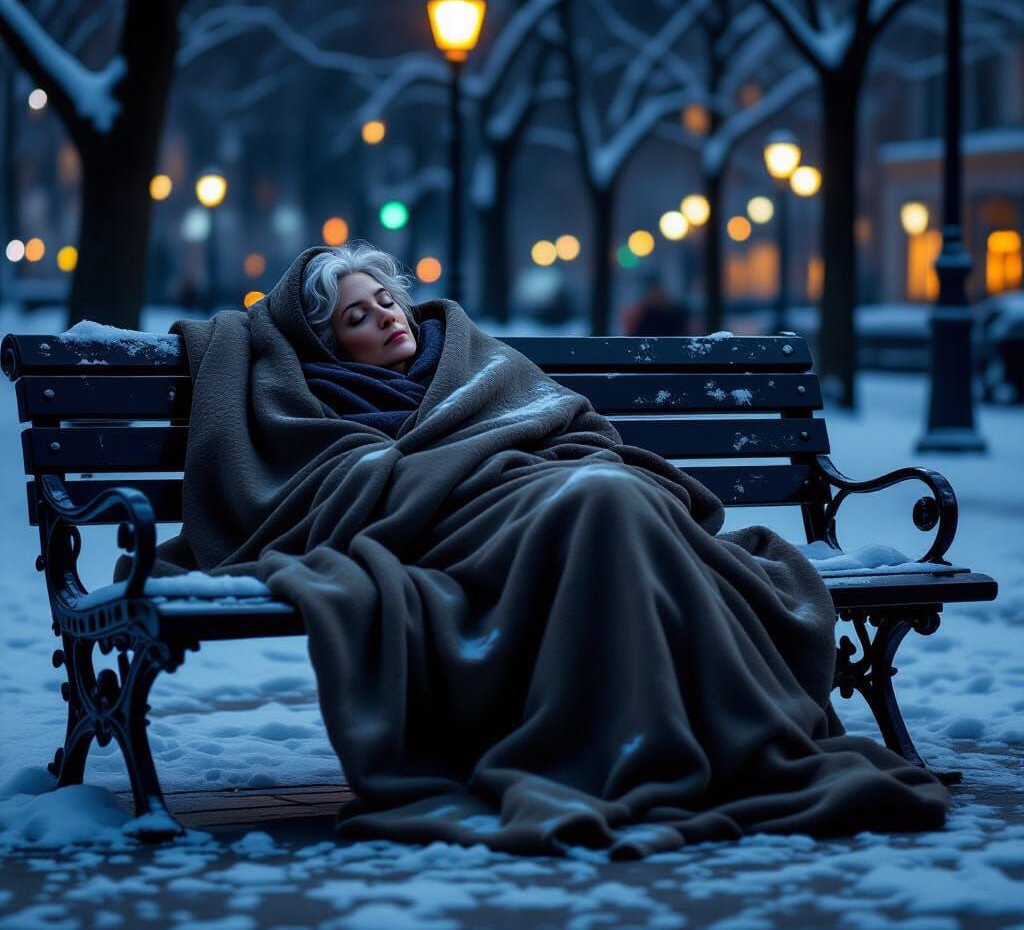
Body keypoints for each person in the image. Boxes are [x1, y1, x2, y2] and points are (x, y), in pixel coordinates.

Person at [159, 242, 948, 859]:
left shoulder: (476, 360)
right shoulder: (326, 409)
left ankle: (683, 738)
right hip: (461, 529)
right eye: (358, 318)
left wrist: (575, 467)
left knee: (615, 493)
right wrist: (458, 475)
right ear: (330, 347)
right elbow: (331, 494)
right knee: (602, 501)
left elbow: (577, 429)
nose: (389, 317)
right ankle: (631, 746)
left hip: (553, 495)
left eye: (386, 298)